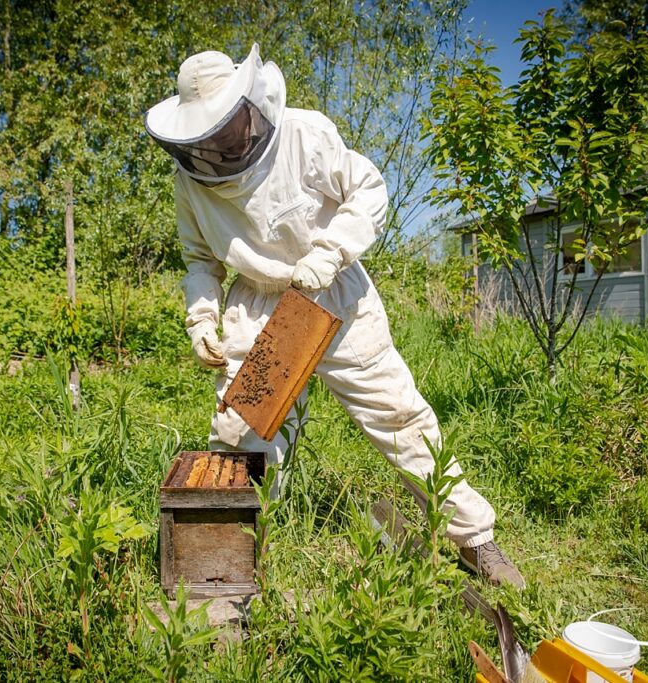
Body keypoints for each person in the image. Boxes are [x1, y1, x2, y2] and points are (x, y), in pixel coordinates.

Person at [145, 44, 525, 589]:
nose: (221, 144)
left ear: (248, 105)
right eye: (207, 136)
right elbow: (200, 259)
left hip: (332, 291)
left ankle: (474, 539)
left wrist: (328, 254)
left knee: (398, 416)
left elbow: (368, 191)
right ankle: (232, 558)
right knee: (241, 435)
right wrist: (202, 319)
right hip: (260, 307)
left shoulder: (304, 134)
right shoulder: (190, 182)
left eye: (226, 127)